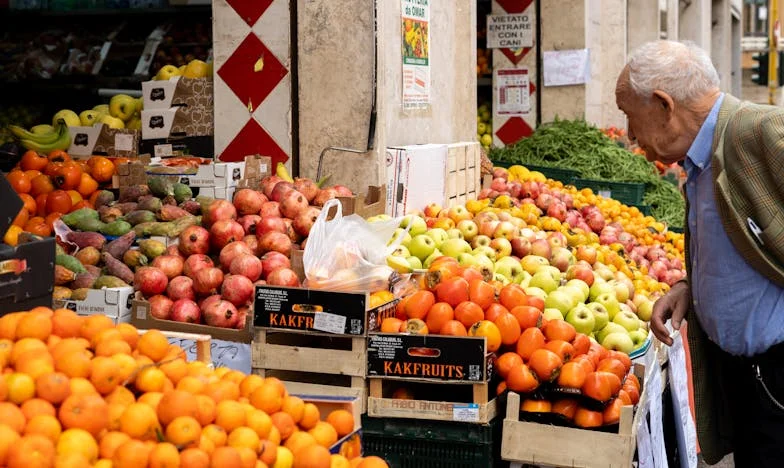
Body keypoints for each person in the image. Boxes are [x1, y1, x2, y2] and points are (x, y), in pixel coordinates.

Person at [616, 40, 784, 467]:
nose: (631, 136)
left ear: (663, 105)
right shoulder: (698, 160)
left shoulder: (761, 131)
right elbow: (741, 242)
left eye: (630, 117)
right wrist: (692, 287)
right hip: (744, 379)